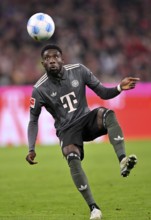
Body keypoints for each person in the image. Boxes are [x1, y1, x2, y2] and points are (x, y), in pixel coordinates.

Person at [26, 44, 139, 220]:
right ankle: (94, 208)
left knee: (107, 114)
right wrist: (31, 148)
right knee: (72, 158)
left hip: (86, 120)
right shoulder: (39, 89)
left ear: (62, 59)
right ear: (43, 63)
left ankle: (122, 159)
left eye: (55, 56)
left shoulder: (79, 70)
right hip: (67, 130)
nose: (52, 60)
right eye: (48, 58)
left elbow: (102, 92)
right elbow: (33, 120)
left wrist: (118, 88)